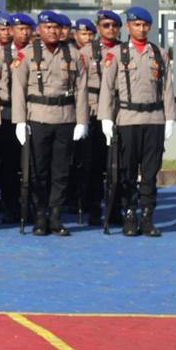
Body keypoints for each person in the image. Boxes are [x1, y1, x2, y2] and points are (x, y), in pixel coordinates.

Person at [97, 6, 175, 237]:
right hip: (128, 119)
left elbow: (167, 88)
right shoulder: (116, 54)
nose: (141, 29)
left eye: (144, 25)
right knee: (127, 171)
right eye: (136, 25)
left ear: (149, 27)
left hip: (154, 119)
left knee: (150, 172)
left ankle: (147, 217)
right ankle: (130, 214)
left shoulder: (159, 54)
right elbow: (107, 89)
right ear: (129, 27)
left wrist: (170, 118)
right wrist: (105, 118)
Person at [11, 11, 89, 236]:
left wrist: (82, 121)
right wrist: (19, 121)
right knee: (39, 170)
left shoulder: (73, 54)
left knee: (61, 171)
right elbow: (19, 89)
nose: (53, 31)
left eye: (56, 27)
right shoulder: (27, 55)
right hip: (38, 118)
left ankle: (55, 215)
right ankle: (40, 214)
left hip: (65, 118)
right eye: (48, 27)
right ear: (39, 30)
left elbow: (81, 89)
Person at [79, 11, 121, 225]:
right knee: (94, 164)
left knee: (118, 165)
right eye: (106, 25)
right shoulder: (87, 52)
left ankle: (115, 208)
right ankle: (94, 208)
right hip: (94, 112)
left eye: (114, 25)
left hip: (119, 113)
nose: (110, 29)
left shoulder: (124, 50)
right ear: (98, 28)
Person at [0, 13, 24, 223]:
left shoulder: (24, 53)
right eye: (1, 29)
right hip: (1, 112)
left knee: (21, 162)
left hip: (22, 113)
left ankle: (21, 202)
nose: (5, 33)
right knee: (3, 163)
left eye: (8, 29)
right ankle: (6, 202)